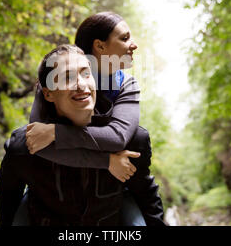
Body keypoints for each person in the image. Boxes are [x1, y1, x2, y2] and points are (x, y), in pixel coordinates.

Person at [21, 12, 166, 226]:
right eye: (125, 38)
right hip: (53, 195)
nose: (134, 45)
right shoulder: (55, 79)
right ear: (100, 46)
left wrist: (56, 133)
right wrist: (106, 161)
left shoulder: (127, 85)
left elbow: (118, 138)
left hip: (111, 192)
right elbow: (37, 143)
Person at [0, 44, 142, 225]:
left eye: (86, 73)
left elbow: (146, 197)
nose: (81, 85)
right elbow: (6, 210)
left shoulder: (129, 141)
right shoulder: (23, 147)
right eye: (67, 77)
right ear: (48, 94)